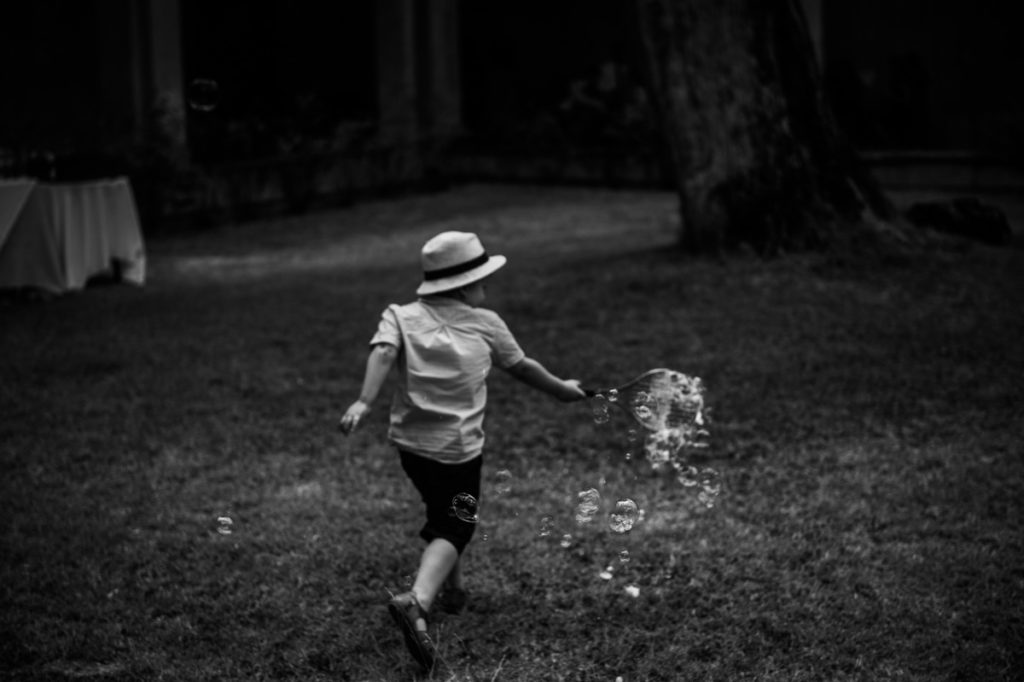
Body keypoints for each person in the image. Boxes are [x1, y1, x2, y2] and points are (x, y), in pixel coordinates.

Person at [339, 231, 586, 670]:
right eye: (482, 281)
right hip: (458, 449)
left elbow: (382, 351)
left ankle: (454, 590)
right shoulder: (485, 322)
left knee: (444, 513)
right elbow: (523, 367)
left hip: (412, 447)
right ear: (465, 286)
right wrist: (562, 390)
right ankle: (417, 601)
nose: (485, 289)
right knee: (456, 526)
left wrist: (364, 401)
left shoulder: (401, 315)